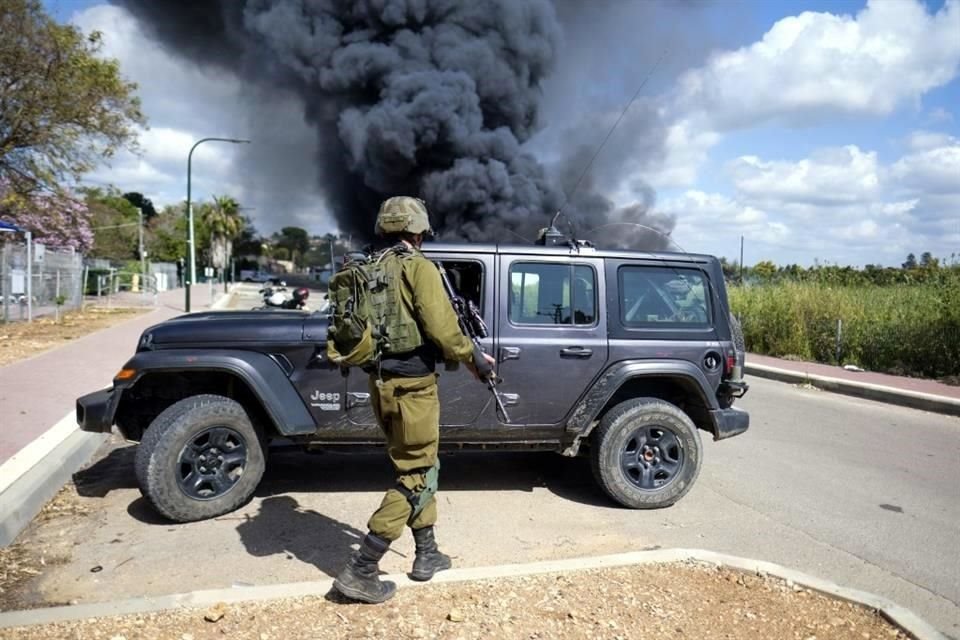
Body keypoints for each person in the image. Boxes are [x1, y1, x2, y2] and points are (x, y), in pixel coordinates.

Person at [333, 196, 496, 604]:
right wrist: (475, 357)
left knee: (420, 463)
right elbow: (443, 330)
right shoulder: (417, 267)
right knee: (416, 473)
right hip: (413, 389)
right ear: (418, 231)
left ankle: (428, 553)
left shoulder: (365, 267)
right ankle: (361, 569)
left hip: (381, 384)